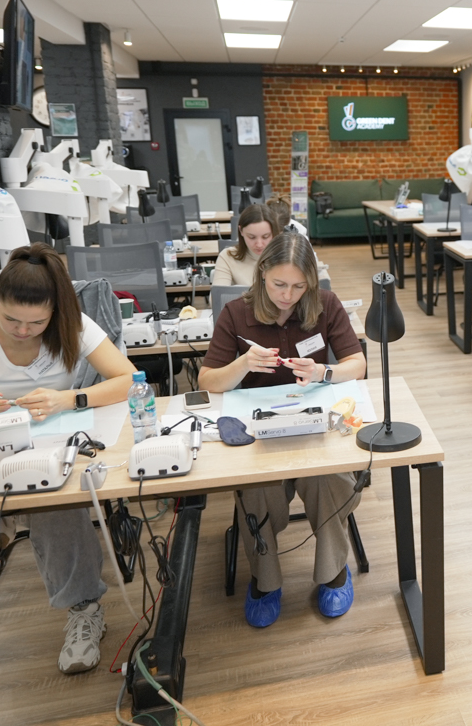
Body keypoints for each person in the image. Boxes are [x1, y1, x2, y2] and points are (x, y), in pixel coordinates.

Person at [0, 243, 137, 674]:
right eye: (11, 320)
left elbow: (129, 379)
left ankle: (83, 607)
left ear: (54, 310)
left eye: (37, 322)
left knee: (51, 499)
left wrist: (68, 399)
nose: (23, 331)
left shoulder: (72, 325)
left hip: (51, 443)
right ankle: (0, 521)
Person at [198, 232, 365, 628]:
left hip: (315, 426)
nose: (287, 296)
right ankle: (265, 580)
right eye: (278, 284)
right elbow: (207, 380)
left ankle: (333, 572)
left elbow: (356, 364)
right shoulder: (236, 313)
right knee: (258, 489)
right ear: (261, 275)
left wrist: (324, 371)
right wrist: (242, 364)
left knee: (330, 480)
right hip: (260, 434)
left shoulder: (325, 304)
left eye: (298, 286)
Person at [212, 203, 276, 287]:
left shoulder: (287, 257)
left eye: (265, 237)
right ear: (241, 231)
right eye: (252, 237)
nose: (259, 244)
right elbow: (218, 294)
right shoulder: (227, 257)